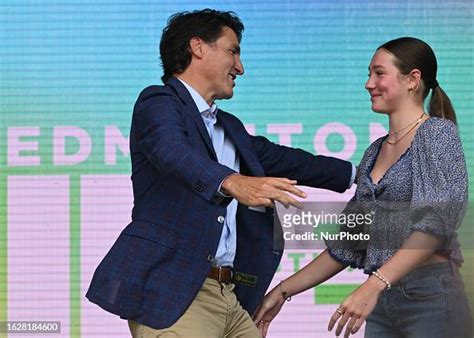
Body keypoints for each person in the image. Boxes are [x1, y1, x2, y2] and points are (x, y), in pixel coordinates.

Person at [86, 9, 355, 337]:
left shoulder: (230, 127)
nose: (240, 67)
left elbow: (294, 162)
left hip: (231, 296)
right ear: (198, 47)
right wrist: (232, 182)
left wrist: (366, 171)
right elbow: (172, 152)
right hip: (178, 293)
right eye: (233, 51)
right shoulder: (158, 102)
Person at [254, 37, 472, 338]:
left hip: (430, 295)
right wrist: (281, 291)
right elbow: (349, 243)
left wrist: (373, 284)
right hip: (383, 300)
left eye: (379, 73)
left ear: (413, 79)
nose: (369, 84)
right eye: (369, 74)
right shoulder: (374, 151)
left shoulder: (436, 133)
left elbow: (436, 225)